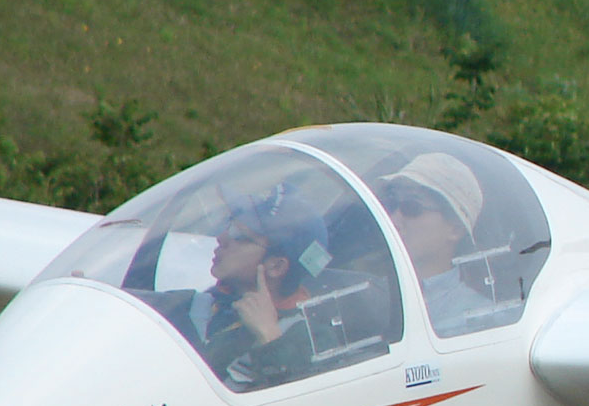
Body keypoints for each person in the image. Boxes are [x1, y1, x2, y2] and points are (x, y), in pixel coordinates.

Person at [145, 182, 334, 389]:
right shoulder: (194, 306)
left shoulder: (314, 341)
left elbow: (301, 401)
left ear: (276, 266)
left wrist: (270, 338)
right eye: (229, 225)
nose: (222, 238)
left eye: (240, 236)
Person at [379, 152, 488, 337]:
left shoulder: (480, 319)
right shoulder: (367, 299)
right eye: (391, 204)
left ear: (455, 229)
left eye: (412, 208)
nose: (393, 220)